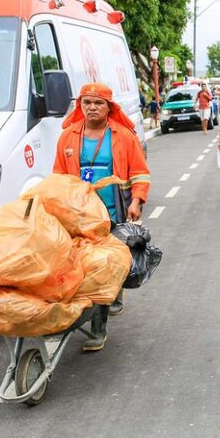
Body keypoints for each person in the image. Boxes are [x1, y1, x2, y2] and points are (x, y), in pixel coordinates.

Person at [53, 82, 151, 351]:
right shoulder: (68, 136)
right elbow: (58, 177)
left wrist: (137, 199)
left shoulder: (123, 136)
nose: (92, 107)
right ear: (80, 105)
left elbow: (140, 173)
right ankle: (106, 298)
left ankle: (98, 329)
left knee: (104, 266)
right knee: (86, 267)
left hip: (113, 211)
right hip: (79, 214)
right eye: (87, 102)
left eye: (99, 103)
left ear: (109, 107)